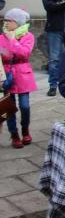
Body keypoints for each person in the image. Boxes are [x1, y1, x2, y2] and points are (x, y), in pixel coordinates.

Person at [1, 8, 37, 148]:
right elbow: (3, 56)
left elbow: (24, 53)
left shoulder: (28, 36)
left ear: (18, 22)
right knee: (9, 108)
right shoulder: (1, 37)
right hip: (7, 77)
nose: (6, 23)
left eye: (9, 20)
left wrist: (12, 41)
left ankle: (25, 130)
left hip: (23, 75)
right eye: (5, 20)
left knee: (25, 106)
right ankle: (14, 135)